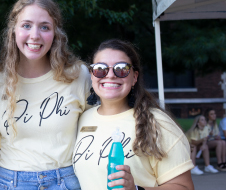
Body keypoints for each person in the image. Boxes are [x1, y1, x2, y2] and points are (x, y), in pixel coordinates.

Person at [0, 0, 90, 189]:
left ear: (56, 33)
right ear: (13, 31)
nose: (35, 35)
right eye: (26, 25)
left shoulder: (78, 75)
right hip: (10, 182)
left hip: (65, 181)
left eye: (44, 27)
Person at [72, 39, 194, 190]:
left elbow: (184, 187)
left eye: (121, 68)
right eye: (100, 69)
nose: (110, 75)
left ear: (134, 77)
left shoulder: (157, 122)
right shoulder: (83, 118)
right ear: (92, 75)